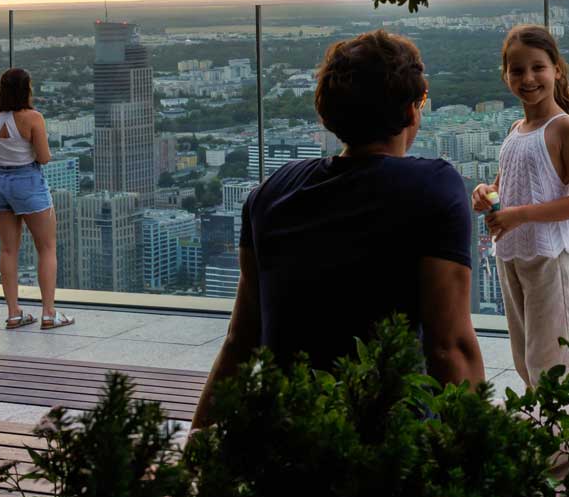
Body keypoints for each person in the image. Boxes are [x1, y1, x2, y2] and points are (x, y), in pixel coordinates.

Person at [192, 30, 482, 426]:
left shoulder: (270, 193)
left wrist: (197, 441)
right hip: (388, 435)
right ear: (412, 111)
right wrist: (478, 446)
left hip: (288, 433)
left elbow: (240, 342)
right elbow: (449, 347)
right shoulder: (435, 187)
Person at [470, 25, 569, 390]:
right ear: (505, 75)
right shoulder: (516, 129)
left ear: (557, 69)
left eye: (538, 67)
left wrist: (520, 215)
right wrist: (485, 192)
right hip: (512, 255)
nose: (528, 78)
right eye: (517, 70)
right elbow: (505, 186)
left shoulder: (567, 129)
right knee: (527, 360)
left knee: (557, 366)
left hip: (551, 258)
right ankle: (543, 425)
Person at [0, 68, 70, 331]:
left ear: (2, 89)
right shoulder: (33, 117)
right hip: (27, 182)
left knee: (8, 250)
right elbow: (44, 158)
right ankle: (49, 313)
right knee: (46, 248)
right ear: (27, 89)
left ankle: (14, 313)